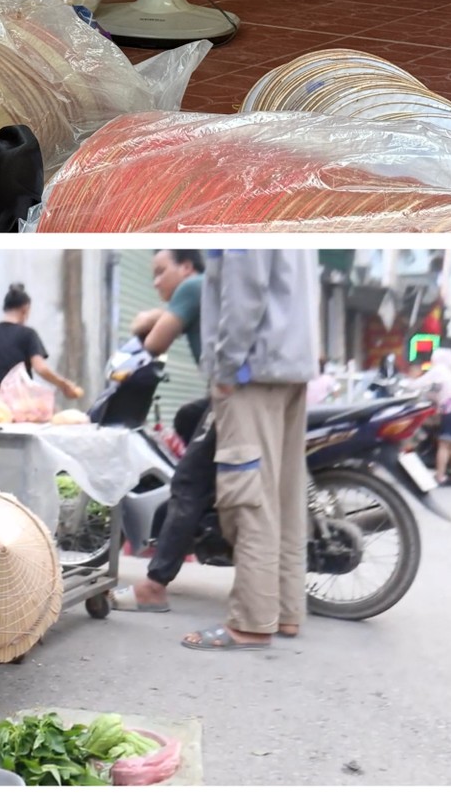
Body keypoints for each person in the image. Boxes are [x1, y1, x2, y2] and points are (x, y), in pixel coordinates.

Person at [182, 250, 318, 652]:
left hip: (251, 370)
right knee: (285, 494)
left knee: (249, 495)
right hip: (292, 363)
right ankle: (287, 611)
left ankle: (253, 623)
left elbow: (245, 287)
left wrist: (226, 367)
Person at [112, 249, 233, 617]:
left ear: (185, 266)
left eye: (160, 272)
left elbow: (153, 343)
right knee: (186, 417)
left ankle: (154, 586)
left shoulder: (193, 286)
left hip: (230, 394)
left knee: (186, 483)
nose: (155, 282)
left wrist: (150, 318)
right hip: (237, 390)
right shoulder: (206, 287)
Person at [0, 283, 84, 400]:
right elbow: (41, 368)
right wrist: (63, 384)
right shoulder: (28, 334)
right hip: (18, 406)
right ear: (25, 309)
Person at [417, 348, 451, 486]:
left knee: (443, 445)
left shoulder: (439, 370)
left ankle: (440, 476)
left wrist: (406, 385)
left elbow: (420, 383)